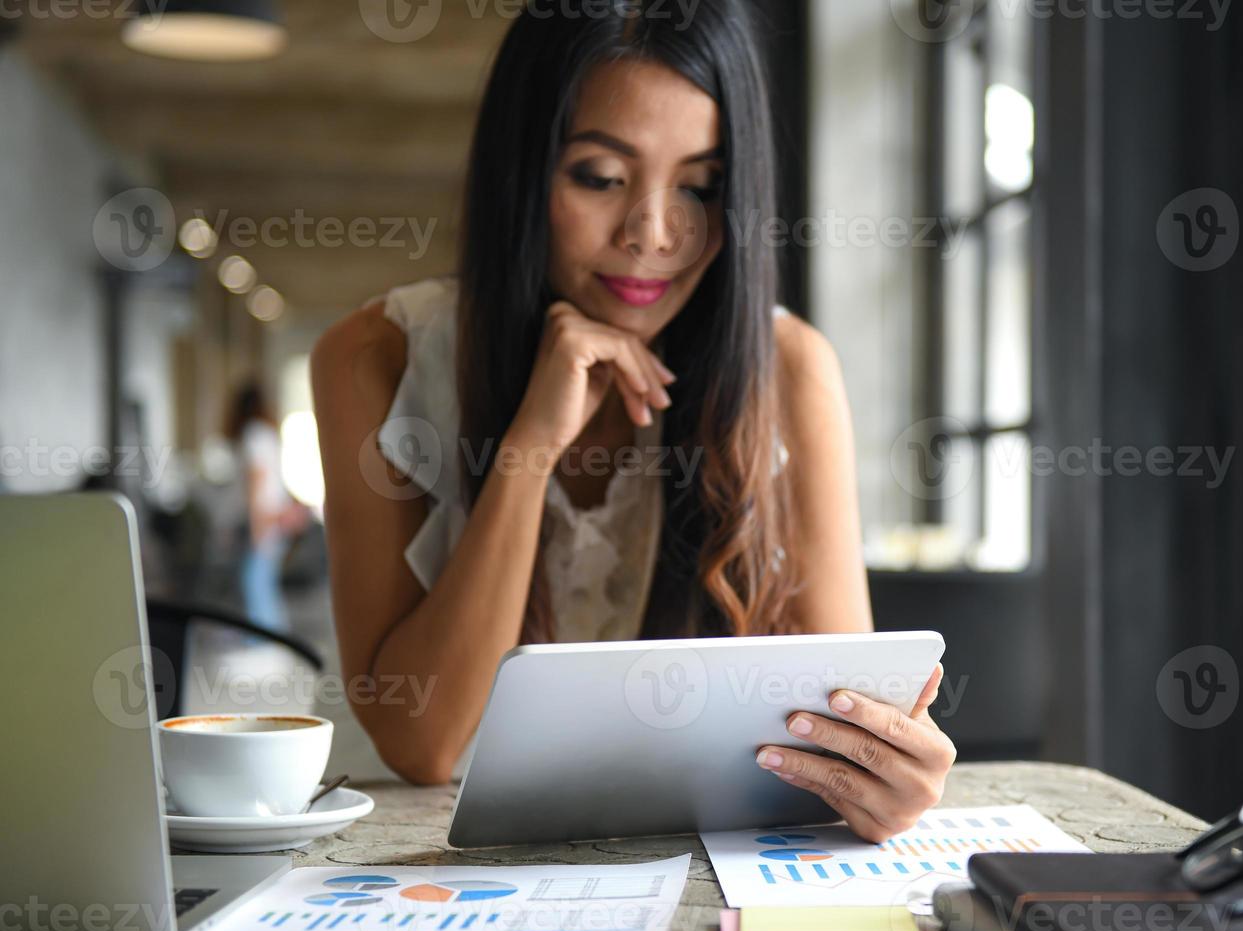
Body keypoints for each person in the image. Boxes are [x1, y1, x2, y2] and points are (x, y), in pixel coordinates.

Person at [311, 0, 955, 842]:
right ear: (523, 171)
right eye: (601, 177)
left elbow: (850, 735)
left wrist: (887, 777)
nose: (654, 234)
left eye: (700, 185)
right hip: (417, 856)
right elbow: (424, 746)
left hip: (685, 862)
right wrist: (528, 451)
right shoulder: (376, 359)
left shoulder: (790, 368)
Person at [225, 382, 303, 632]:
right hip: (273, 518)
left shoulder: (253, 435)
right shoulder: (266, 433)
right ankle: (273, 636)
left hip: (265, 519)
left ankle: (265, 638)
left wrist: (258, 528)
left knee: (254, 583)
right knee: (263, 583)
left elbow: (257, 484)